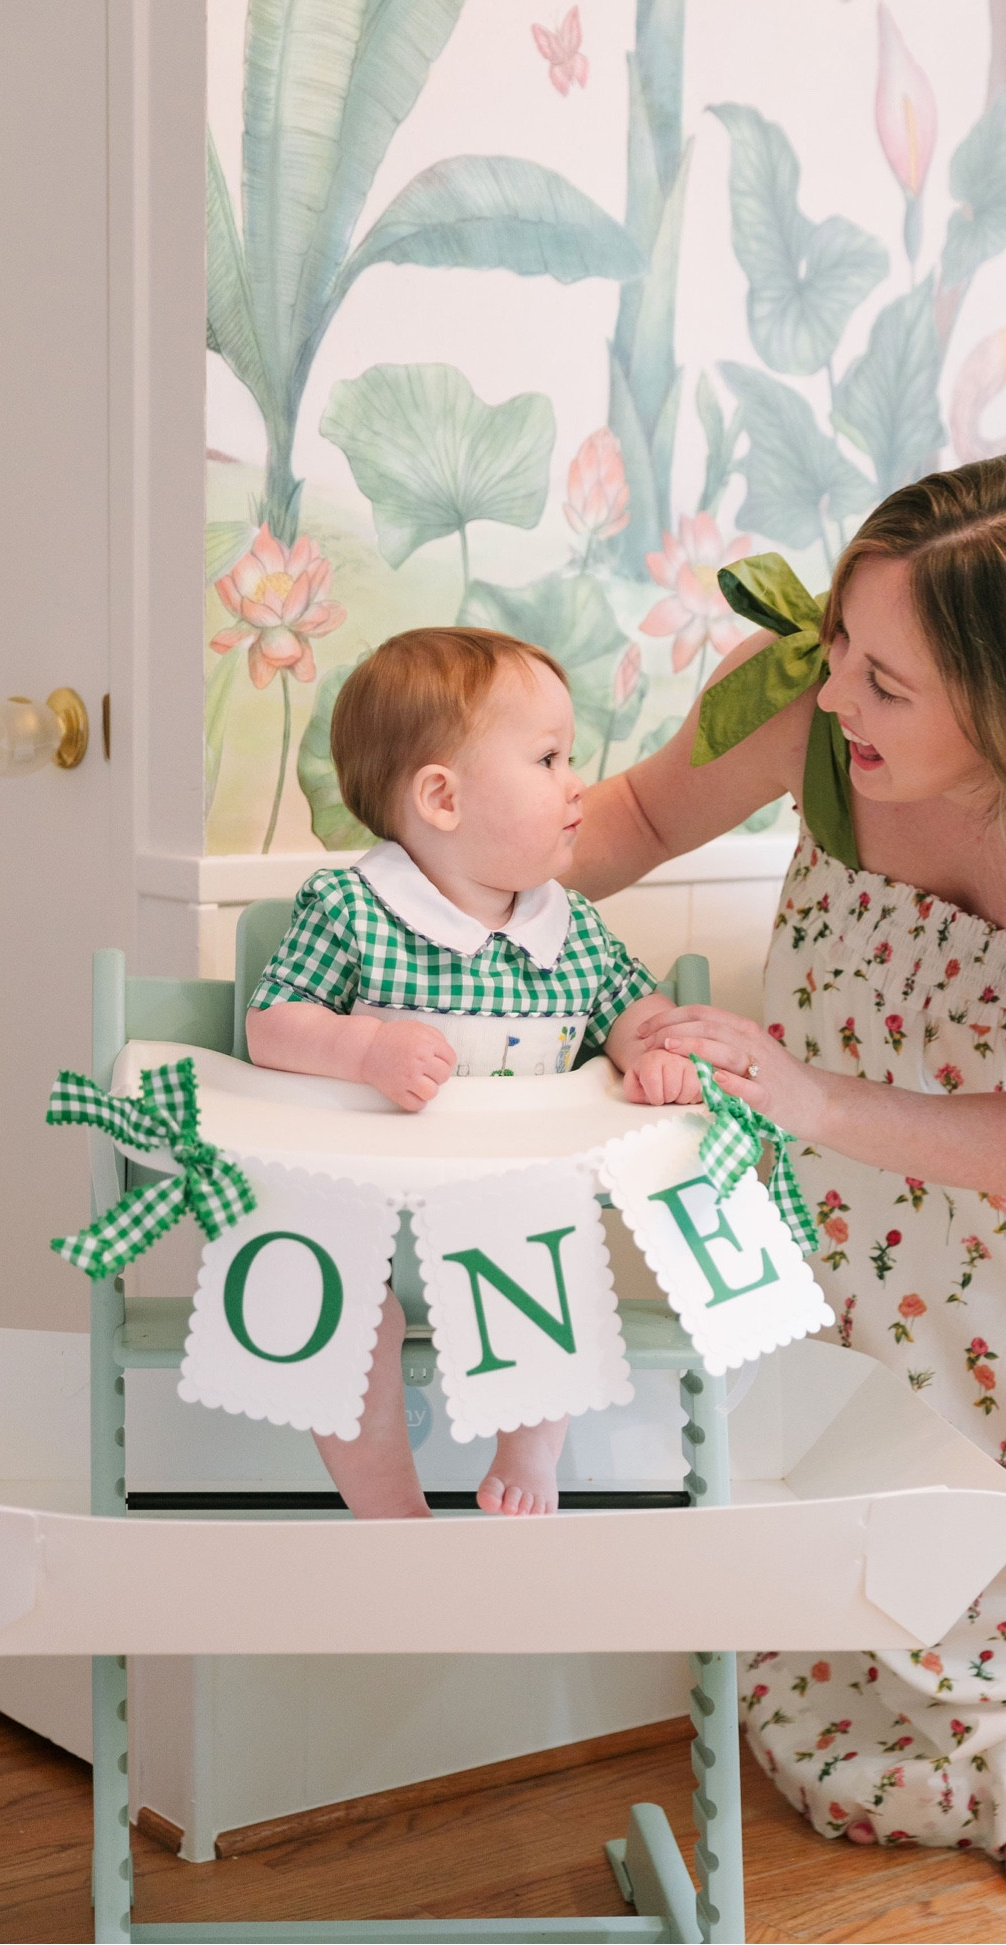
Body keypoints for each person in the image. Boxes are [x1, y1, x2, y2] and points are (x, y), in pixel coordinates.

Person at [569, 456, 1006, 1902]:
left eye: (888, 683)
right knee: (835, 1410)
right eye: (843, 650)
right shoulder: (810, 697)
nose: (834, 699)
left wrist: (811, 1093)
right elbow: (624, 821)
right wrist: (445, 904)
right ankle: (846, 1731)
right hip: (847, 1180)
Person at [246, 626, 699, 1521]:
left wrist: (654, 1053)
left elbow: (632, 1011)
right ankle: (386, 1501)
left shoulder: (568, 929)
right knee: (342, 1320)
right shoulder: (354, 910)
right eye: (549, 758)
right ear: (443, 798)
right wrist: (365, 1050)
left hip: (511, 1224)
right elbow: (271, 1024)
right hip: (366, 1222)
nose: (579, 785)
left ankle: (531, 1454)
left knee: (559, 1276)